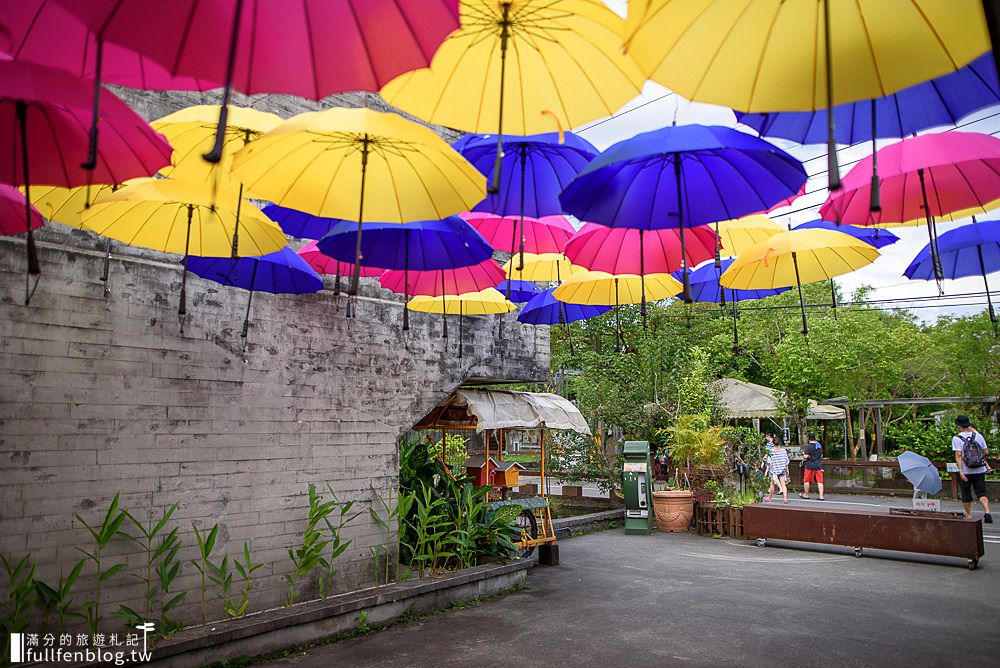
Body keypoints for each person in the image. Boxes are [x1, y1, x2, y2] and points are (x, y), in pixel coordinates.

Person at [953, 416, 992, 523]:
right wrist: (979, 459)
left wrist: (960, 470)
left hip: (966, 471)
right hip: (979, 469)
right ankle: (987, 511)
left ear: (959, 425)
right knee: (981, 493)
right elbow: (986, 452)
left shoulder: (957, 438)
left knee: (966, 493)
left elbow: (959, 455)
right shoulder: (978, 436)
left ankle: (969, 515)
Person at [762, 434, 789, 503]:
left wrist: (767, 470)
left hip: (773, 470)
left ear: (773, 443)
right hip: (782, 469)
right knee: (783, 484)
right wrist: (787, 470)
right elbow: (786, 461)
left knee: (772, 483)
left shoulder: (770, 451)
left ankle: (770, 497)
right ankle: (785, 498)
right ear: (780, 443)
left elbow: (769, 462)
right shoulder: (783, 451)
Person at [799, 432, 824, 500]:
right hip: (818, 465)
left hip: (810, 465)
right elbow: (821, 455)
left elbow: (805, 456)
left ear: (809, 438)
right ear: (814, 438)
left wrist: (804, 456)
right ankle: (821, 496)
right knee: (820, 481)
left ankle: (806, 494)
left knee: (806, 480)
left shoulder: (808, 446)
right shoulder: (819, 445)